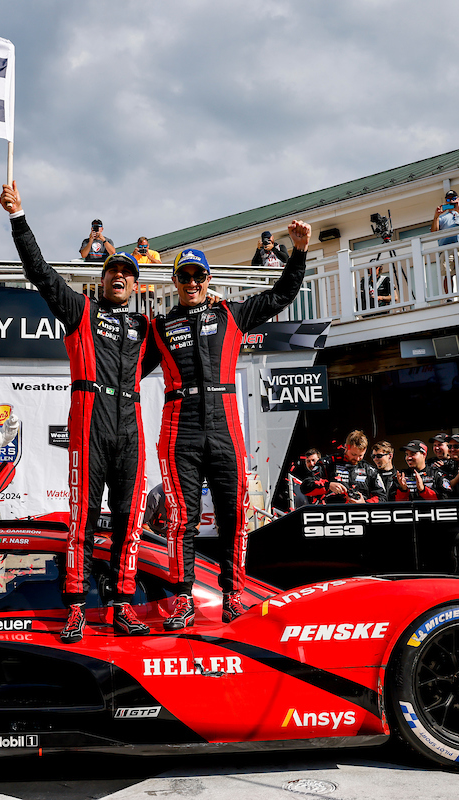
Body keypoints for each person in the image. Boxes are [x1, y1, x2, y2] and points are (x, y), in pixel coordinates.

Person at [1, 182, 151, 642]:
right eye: (112, 273)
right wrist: (18, 218)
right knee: (82, 518)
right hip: (89, 418)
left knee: (129, 518)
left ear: (136, 283)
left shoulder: (147, 327)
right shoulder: (81, 310)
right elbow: (41, 272)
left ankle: (123, 604)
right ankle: (77, 606)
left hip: (130, 422)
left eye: (127, 273)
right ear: (101, 280)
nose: (119, 278)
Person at [151, 222, 310, 629]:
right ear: (174, 281)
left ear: (208, 279)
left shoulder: (230, 314)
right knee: (180, 518)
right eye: (183, 275)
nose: (191, 282)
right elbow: (123, 365)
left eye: (198, 275)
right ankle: (182, 600)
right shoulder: (160, 326)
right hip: (179, 429)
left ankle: (233, 596)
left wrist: (300, 251)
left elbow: (281, 295)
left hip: (224, 426)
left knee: (233, 516)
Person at [302, 430, 387, 506]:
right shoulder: (328, 463)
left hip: (360, 516)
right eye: (354, 454)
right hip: (333, 516)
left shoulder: (369, 470)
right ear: (346, 447)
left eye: (360, 455)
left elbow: (382, 497)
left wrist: (365, 504)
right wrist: (328, 485)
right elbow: (305, 486)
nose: (357, 459)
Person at [431, 189, 459, 292]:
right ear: (446, 201)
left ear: (458, 199)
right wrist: (436, 216)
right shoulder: (442, 217)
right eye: (448, 199)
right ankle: (449, 298)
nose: (451, 201)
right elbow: (434, 231)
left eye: (453, 199)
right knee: (448, 274)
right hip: (446, 248)